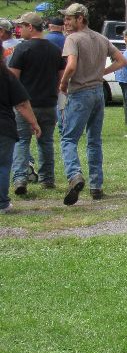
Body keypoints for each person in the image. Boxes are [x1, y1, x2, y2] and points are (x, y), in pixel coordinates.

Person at [58, 3, 127, 205]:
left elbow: (70, 66)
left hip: (79, 93)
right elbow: (122, 60)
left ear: (81, 19)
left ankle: (74, 175)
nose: (66, 22)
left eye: (70, 18)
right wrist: (100, 73)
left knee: (68, 138)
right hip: (98, 93)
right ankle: (96, 186)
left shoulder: (72, 39)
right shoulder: (101, 38)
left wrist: (63, 84)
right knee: (94, 140)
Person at [7, 12, 65, 194]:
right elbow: (61, 78)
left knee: (22, 141)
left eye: (21, 26)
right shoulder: (55, 50)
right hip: (48, 104)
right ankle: (47, 179)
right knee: (46, 141)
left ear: (30, 27)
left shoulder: (22, 50)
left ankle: (20, 179)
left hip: (26, 105)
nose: (19, 29)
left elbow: (12, 79)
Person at [0, 49, 41, 213]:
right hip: (3, 126)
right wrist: (34, 122)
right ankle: (2, 204)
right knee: (2, 166)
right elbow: (22, 103)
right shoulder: (6, 75)